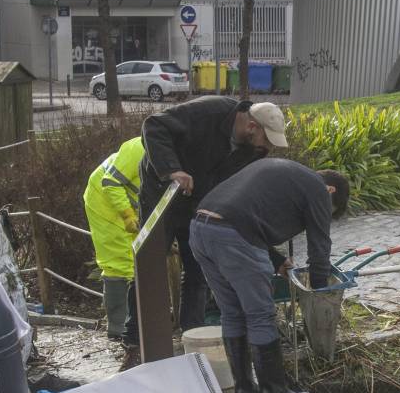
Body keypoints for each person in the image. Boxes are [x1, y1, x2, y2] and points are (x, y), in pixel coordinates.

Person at [121, 97, 288, 367]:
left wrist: (275, 257)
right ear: (252, 127)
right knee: (149, 265)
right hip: (161, 194)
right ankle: (133, 342)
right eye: (267, 140)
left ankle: (192, 337)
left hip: (200, 204)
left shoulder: (252, 153)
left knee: (198, 270)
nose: (268, 149)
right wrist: (172, 170)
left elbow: (239, 209)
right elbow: (154, 126)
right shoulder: (210, 111)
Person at [189, 158, 350, 393]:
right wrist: (318, 291)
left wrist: (276, 260)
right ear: (330, 190)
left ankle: (244, 390)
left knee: (232, 312)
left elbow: (247, 215)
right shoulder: (318, 189)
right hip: (233, 236)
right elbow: (319, 246)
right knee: (261, 315)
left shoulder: (285, 173)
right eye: (330, 210)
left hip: (201, 229)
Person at [82, 136, 144, 339]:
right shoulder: (138, 148)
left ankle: (134, 321)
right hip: (103, 197)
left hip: (127, 201)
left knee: (136, 259)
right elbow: (110, 182)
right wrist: (127, 214)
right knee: (119, 261)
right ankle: (119, 326)